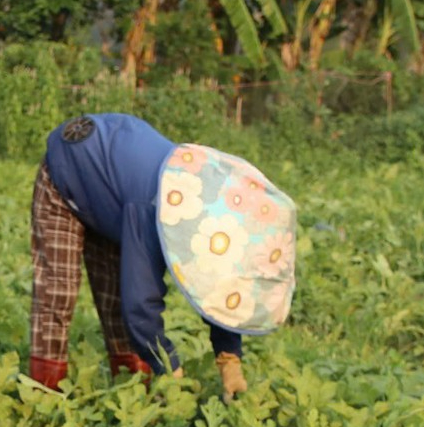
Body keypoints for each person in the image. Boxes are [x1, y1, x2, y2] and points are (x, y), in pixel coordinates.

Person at [28, 113, 297, 399]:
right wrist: (170, 368)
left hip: (113, 190)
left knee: (113, 298)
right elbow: (141, 302)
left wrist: (228, 356)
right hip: (66, 171)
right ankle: (45, 396)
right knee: (58, 291)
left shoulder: (215, 213)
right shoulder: (154, 206)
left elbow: (220, 283)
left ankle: (132, 393)